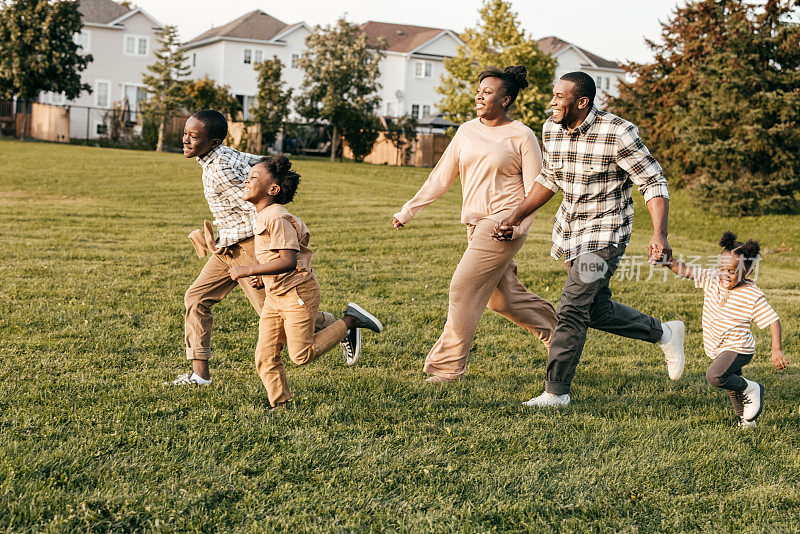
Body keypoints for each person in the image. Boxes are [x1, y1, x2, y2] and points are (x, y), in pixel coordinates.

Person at [493, 71, 686, 407]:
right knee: (594, 309)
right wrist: (515, 216)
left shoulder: (618, 132)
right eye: (553, 95)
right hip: (572, 231)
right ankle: (664, 333)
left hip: (607, 233)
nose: (552, 102)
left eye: (559, 97)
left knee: (571, 308)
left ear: (581, 102)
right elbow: (550, 178)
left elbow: (653, 182)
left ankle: (556, 393)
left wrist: (659, 234)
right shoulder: (551, 128)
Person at [391, 65, 557, 383]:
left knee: (462, 288)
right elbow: (441, 176)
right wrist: (408, 210)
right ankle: (562, 337)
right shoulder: (466, 130)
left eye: (488, 92)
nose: (480, 96)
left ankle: (447, 368)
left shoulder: (521, 135)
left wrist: (517, 224)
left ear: (506, 99)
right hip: (475, 224)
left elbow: (539, 187)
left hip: (501, 225)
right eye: (479, 91)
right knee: (502, 299)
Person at [170, 110, 355, 386]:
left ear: (213, 142)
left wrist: (259, 264)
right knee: (196, 298)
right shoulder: (224, 155)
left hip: (248, 248)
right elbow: (265, 164)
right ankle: (200, 375)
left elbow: (257, 208)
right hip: (227, 247)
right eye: (186, 133)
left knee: (276, 312)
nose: (186, 140)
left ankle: (345, 324)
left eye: (194, 137)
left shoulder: (218, 168)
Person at [228, 155, 383, 409]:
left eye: (254, 177)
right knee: (265, 355)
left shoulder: (276, 218)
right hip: (276, 296)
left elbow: (288, 260)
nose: (246, 180)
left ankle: (350, 321)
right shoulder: (264, 215)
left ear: (273, 189)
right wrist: (261, 274)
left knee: (301, 354)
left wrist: (248, 269)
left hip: (297, 292)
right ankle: (281, 404)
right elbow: (274, 256)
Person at [664, 231, 786, 427]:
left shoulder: (752, 295)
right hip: (719, 347)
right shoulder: (712, 279)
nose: (724, 275)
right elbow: (686, 270)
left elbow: (773, 320)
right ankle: (746, 420)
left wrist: (776, 350)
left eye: (731, 271)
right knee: (733, 387)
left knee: (716, 376)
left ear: (747, 272)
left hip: (739, 348)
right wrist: (667, 260)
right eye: (721, 268)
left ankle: (753, 388)